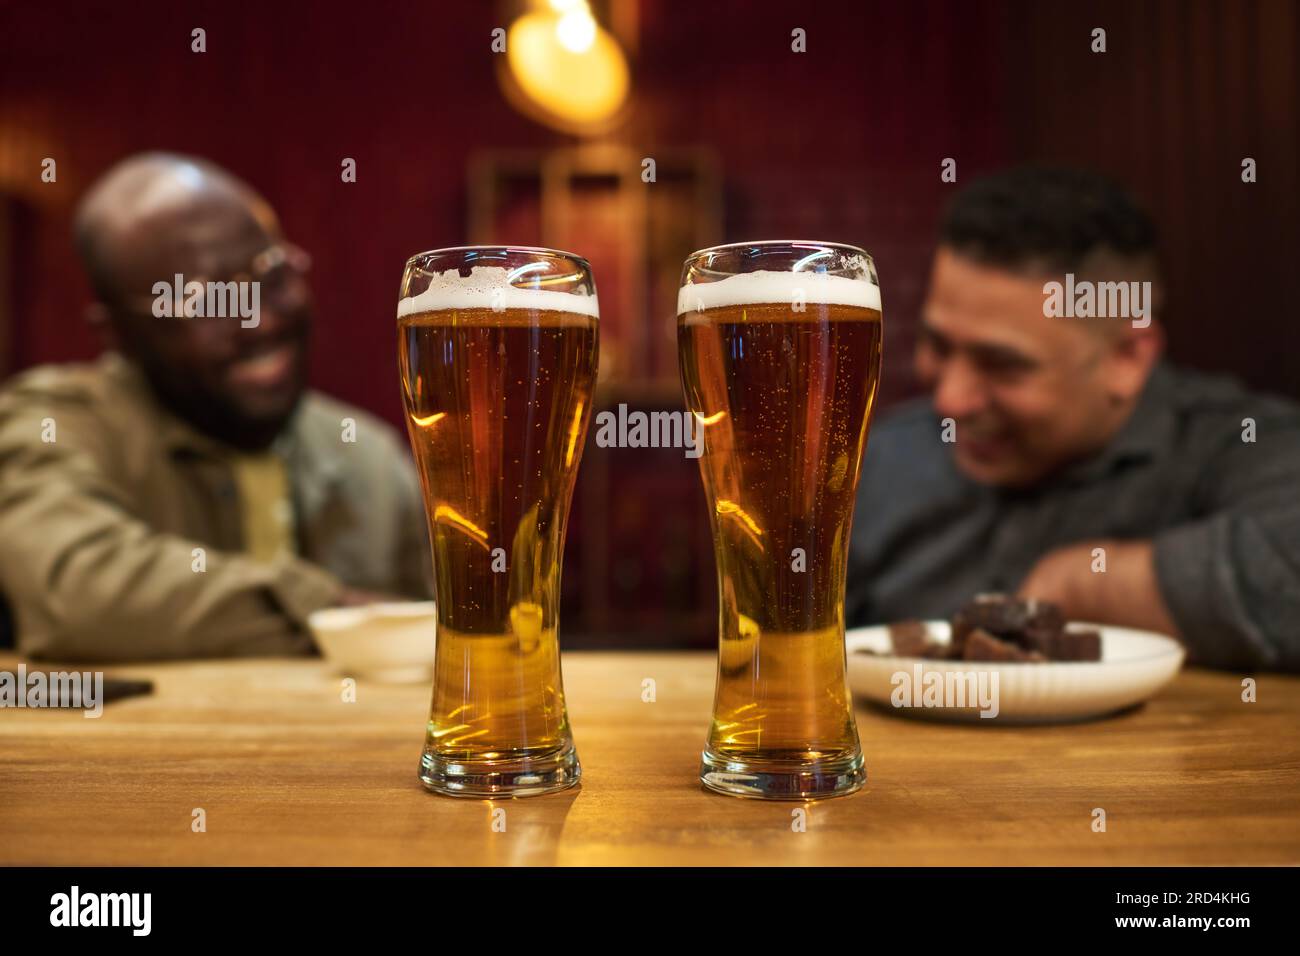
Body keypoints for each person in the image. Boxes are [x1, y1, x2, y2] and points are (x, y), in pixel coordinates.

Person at [847, 166, 1300, 672]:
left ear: (1127, 357)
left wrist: (1079, 584)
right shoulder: (881, 456)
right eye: (938, 345)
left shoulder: (1235, 442)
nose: (950, 402)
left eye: (1003, 364)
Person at [0, 153, 431, 662]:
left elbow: (450, 646)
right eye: (204, 302)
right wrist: (331, 610)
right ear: (117, 334)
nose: (260, 322)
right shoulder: (52, 422)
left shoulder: (368, 454)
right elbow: (75, 599)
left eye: (271, 277)